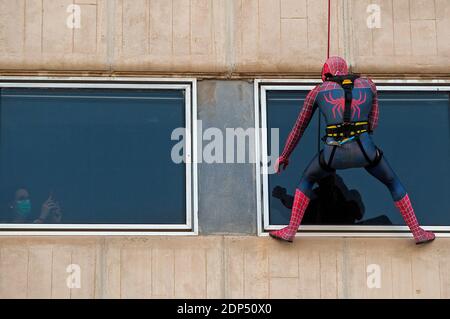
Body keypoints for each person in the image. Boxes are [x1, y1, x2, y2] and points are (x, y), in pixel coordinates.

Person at [269, 56, 435, 245]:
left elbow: (299, 128)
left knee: (307, 180)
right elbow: (373, 123)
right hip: (365, 151)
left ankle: (291, 231)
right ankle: (417, 232)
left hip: (332, 154)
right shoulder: (369, 85)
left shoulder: (317, 91)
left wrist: (285, 155)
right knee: (392, 181)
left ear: (326, 73)